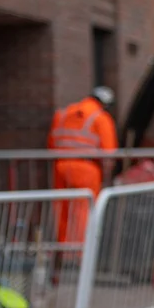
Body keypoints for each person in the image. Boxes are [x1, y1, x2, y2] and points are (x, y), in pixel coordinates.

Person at [48, 85, 117, 243]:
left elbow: (52, 143)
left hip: (60, 166)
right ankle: (81, 254)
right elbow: (109, 153)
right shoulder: (100, 118)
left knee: (62, 210)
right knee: (84, 210)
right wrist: (108, 175)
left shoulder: (63, 114)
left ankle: (63, 249)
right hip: (87, 168)